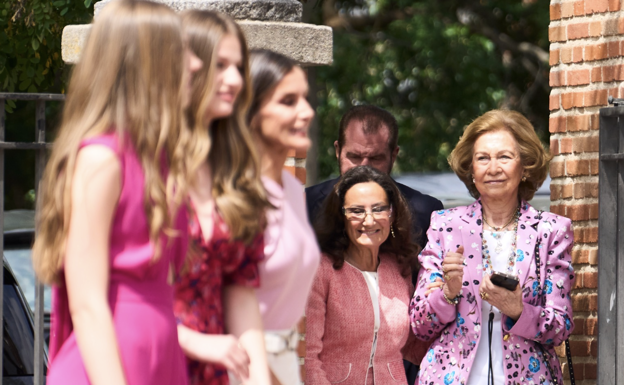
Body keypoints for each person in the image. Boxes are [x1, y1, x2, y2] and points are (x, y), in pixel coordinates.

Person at [32, 1, 203, 384]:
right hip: (109, 369)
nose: (195, 64)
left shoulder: (157, 160)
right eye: (180, 51)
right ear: (146, 63)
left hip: (159, 360)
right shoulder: (102, 160)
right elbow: (88, 302)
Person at [410, 109, 575, 385]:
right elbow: (420, 325)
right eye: (482, 158)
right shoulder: (445, 226)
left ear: (524, 167)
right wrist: (448, 294)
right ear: (471, 169)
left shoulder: (551, 231)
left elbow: (560, 327)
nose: (493, 168)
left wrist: (518, 310)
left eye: (504, 157)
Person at [172, 10, 272, 385]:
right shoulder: (146, 163)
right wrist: (191, 341)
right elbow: (113, 293)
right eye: (220, 65)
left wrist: (259, 377)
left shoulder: (235, 170)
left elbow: (240, 289)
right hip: (148, 360)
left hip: (217, 369)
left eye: (239, 67)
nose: (234, 79)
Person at [305, 165, 428, 385]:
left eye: (379, 209)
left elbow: (411, 344)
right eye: (357, 211)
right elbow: (310, 358)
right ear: (341, 216)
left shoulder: (399, 267)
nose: (369, 220)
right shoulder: (322, 269)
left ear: (392, 214)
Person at [246, 49, 321, 385]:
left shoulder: (292, 189)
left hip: (285, 363)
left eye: (304, 98)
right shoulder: (233, 195)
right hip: (239, 367)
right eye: (288, 101)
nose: (307, 111)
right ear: (250, 110)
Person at [305, 105, 443, 249]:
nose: (364, 167)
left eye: (376, 158)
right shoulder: (303, 204)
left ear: (393, 155)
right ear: (338, 151)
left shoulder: (426, 212)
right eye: (355, 157)